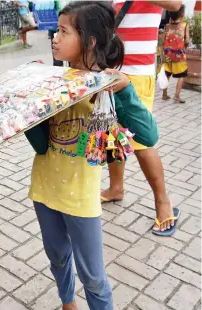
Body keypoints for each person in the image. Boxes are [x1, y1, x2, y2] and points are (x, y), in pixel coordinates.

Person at [25, 2, 158, 309]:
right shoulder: (53, 84)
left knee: (94, 277)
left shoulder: (109, 89)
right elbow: (41, 145)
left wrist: (125, 92)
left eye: (63, 31)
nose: (54, 38)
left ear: (90, 41)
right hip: (44, 190)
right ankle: (67, 302)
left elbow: (149, 136)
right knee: (57, 257)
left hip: (81, 199)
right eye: (56, 31)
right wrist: (29, 110)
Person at [102, 0, 182, 237]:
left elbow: (175, 3)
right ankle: (116, 188)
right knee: (111, 135)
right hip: (109, 69)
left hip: (137, 74)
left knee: (140, 141)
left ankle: (163, 202)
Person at [162, 4, 190, 103]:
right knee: (182, 75)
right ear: (182, 15)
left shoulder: (167, 26)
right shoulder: (184, 25)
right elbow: (187, 40)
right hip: (179, 55)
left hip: (167, 54)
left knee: (166, 74)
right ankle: (176, 95)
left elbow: (164, 40)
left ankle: (164, 94)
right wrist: (184, 48)